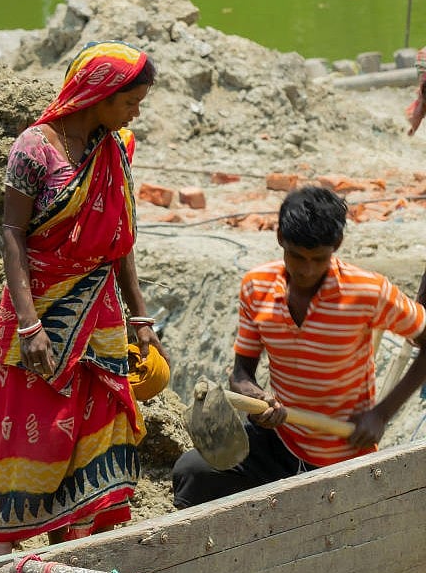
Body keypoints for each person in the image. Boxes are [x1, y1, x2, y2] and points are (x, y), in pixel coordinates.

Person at [0, 41, 164, 555]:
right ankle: (4, 557)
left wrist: (140, 315)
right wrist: (29, 326)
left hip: (102, 313)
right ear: (101, 94)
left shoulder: (115, 150)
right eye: (131, 101)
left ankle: (79, 553)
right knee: (33, 431)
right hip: (40, 310)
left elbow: (120, 240)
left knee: (97, 431)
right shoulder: (34, 148)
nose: (134, 113)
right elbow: (12, 235)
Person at [172, 186, 426, 508]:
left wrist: (381, 414)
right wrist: (258, 399)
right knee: (193, 474)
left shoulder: (368, 292)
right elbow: (241, 374)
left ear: (337, 246)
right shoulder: (256, 286)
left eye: (318, 259)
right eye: (296, 256)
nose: (306, 270)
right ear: (280, 238)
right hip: (279, 440)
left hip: (343, 453)